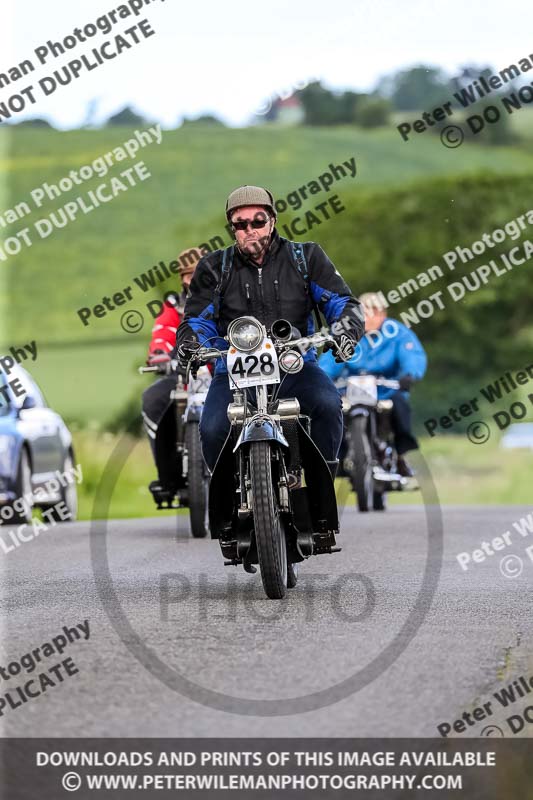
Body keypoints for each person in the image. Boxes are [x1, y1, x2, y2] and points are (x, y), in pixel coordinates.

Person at [176, 185, 365, 477]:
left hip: (296, 366)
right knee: (212, 429)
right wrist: (192, 344)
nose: (249, 229)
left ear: (273, 221)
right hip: (235, 374)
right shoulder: (213, 267)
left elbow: (341, 303)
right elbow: (197, 319)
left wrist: (345, 331)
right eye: (240, 224)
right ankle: (228, 508)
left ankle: (321, 483)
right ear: (232, 229)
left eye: (258, 221)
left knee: (329, 406)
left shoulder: (307, 257)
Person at [319, 291, 427, 476]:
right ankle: (339, 457)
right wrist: (321, 378)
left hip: (387, 389)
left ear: (383, 314)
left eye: (376, 312)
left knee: (400, 408)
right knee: (332, 410)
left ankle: (401, 455)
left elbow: (412, 355)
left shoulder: (397, 332)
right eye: (366, 312)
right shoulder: (346, 331)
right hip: (350, 390)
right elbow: (328, 362)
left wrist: (410, 375)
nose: (371, 317)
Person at [142, 248, 202, 504]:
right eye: (186, 275)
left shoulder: (225, 296)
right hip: (184, 374)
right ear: (181, 279)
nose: (191, 279)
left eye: (196, 273)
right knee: (153, 399)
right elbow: (163, 333)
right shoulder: (174, 306)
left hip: (223, 372)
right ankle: (168, 475)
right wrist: (159, 354)